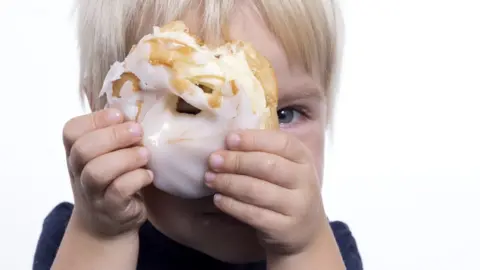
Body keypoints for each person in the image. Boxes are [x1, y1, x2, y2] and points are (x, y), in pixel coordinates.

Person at [33, 0, 363, 269]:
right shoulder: (77, 238)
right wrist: (101, 238)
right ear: (101, 118)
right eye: (189, 109)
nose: (226, 155)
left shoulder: (327, 250)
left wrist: (301, 252)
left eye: (283, 114)